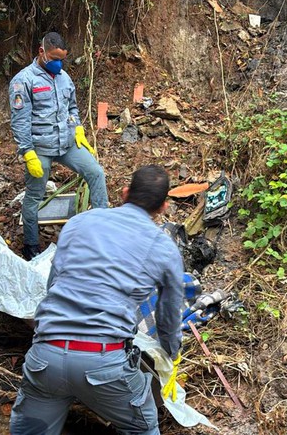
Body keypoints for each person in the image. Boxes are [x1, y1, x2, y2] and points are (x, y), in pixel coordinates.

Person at [10, 165, 184, 435]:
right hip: (103, 364)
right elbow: (169, 315)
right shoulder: (164, 248)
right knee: (143, 427)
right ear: (163, 206)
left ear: (125, 193)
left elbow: (53, 283)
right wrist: (171, 353)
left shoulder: (81, 222)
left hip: (46, 356)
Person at [9, 32, 108, 261]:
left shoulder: (64, 77)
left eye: (62, 58)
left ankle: (104, 227)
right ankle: (31, 245)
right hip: (40, 148)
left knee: (95, 172)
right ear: (41, 51)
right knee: (34, 195)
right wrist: (27, 152)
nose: (58, 63)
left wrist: (78, 129)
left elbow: (72, 108)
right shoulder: (23, 81)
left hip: (66, 143)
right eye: (54, 57)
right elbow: (20, 121)